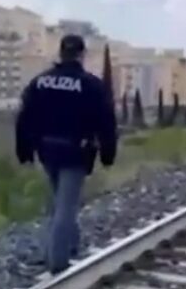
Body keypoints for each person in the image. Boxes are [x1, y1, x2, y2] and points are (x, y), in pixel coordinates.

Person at [15, 34, 118, 275]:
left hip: (47, 151)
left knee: (59, 202)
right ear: (81, 55)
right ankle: (58, 262)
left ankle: (69, 247)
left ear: (61, 53)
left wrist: (24, 151)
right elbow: (106, 123)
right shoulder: (91, 85)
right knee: (65, 207)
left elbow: (24, 119)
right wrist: (108, 154)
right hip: (75, 153)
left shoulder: (40, 82)